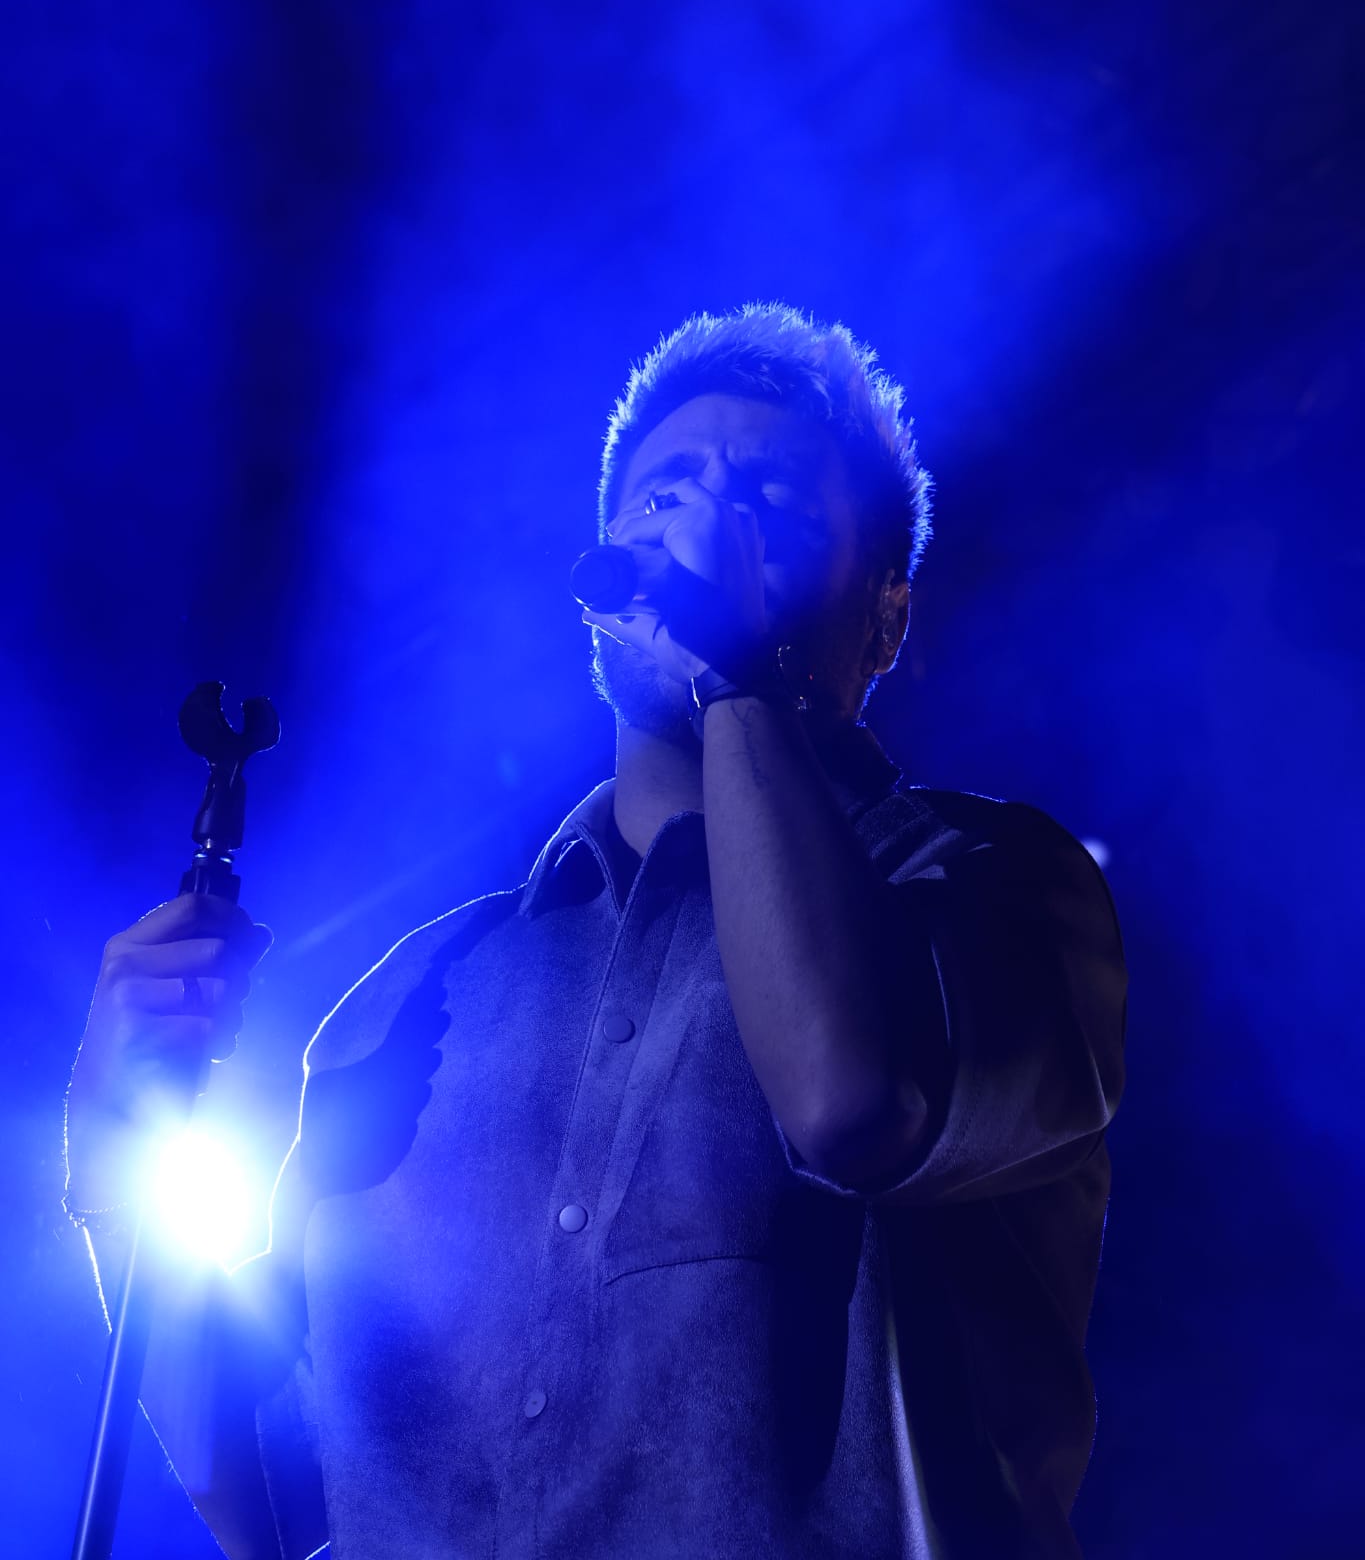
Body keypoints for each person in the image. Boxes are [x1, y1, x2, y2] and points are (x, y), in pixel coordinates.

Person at [65, 301, 1127, 1560]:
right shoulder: (420, 991)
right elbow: (273, 1490)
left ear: (885, 617)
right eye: (668, 488)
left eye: (768, 499)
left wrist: (737, 674)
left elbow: (855, 1100)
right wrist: (110, 1139)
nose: (700, 520)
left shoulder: (996, 886)